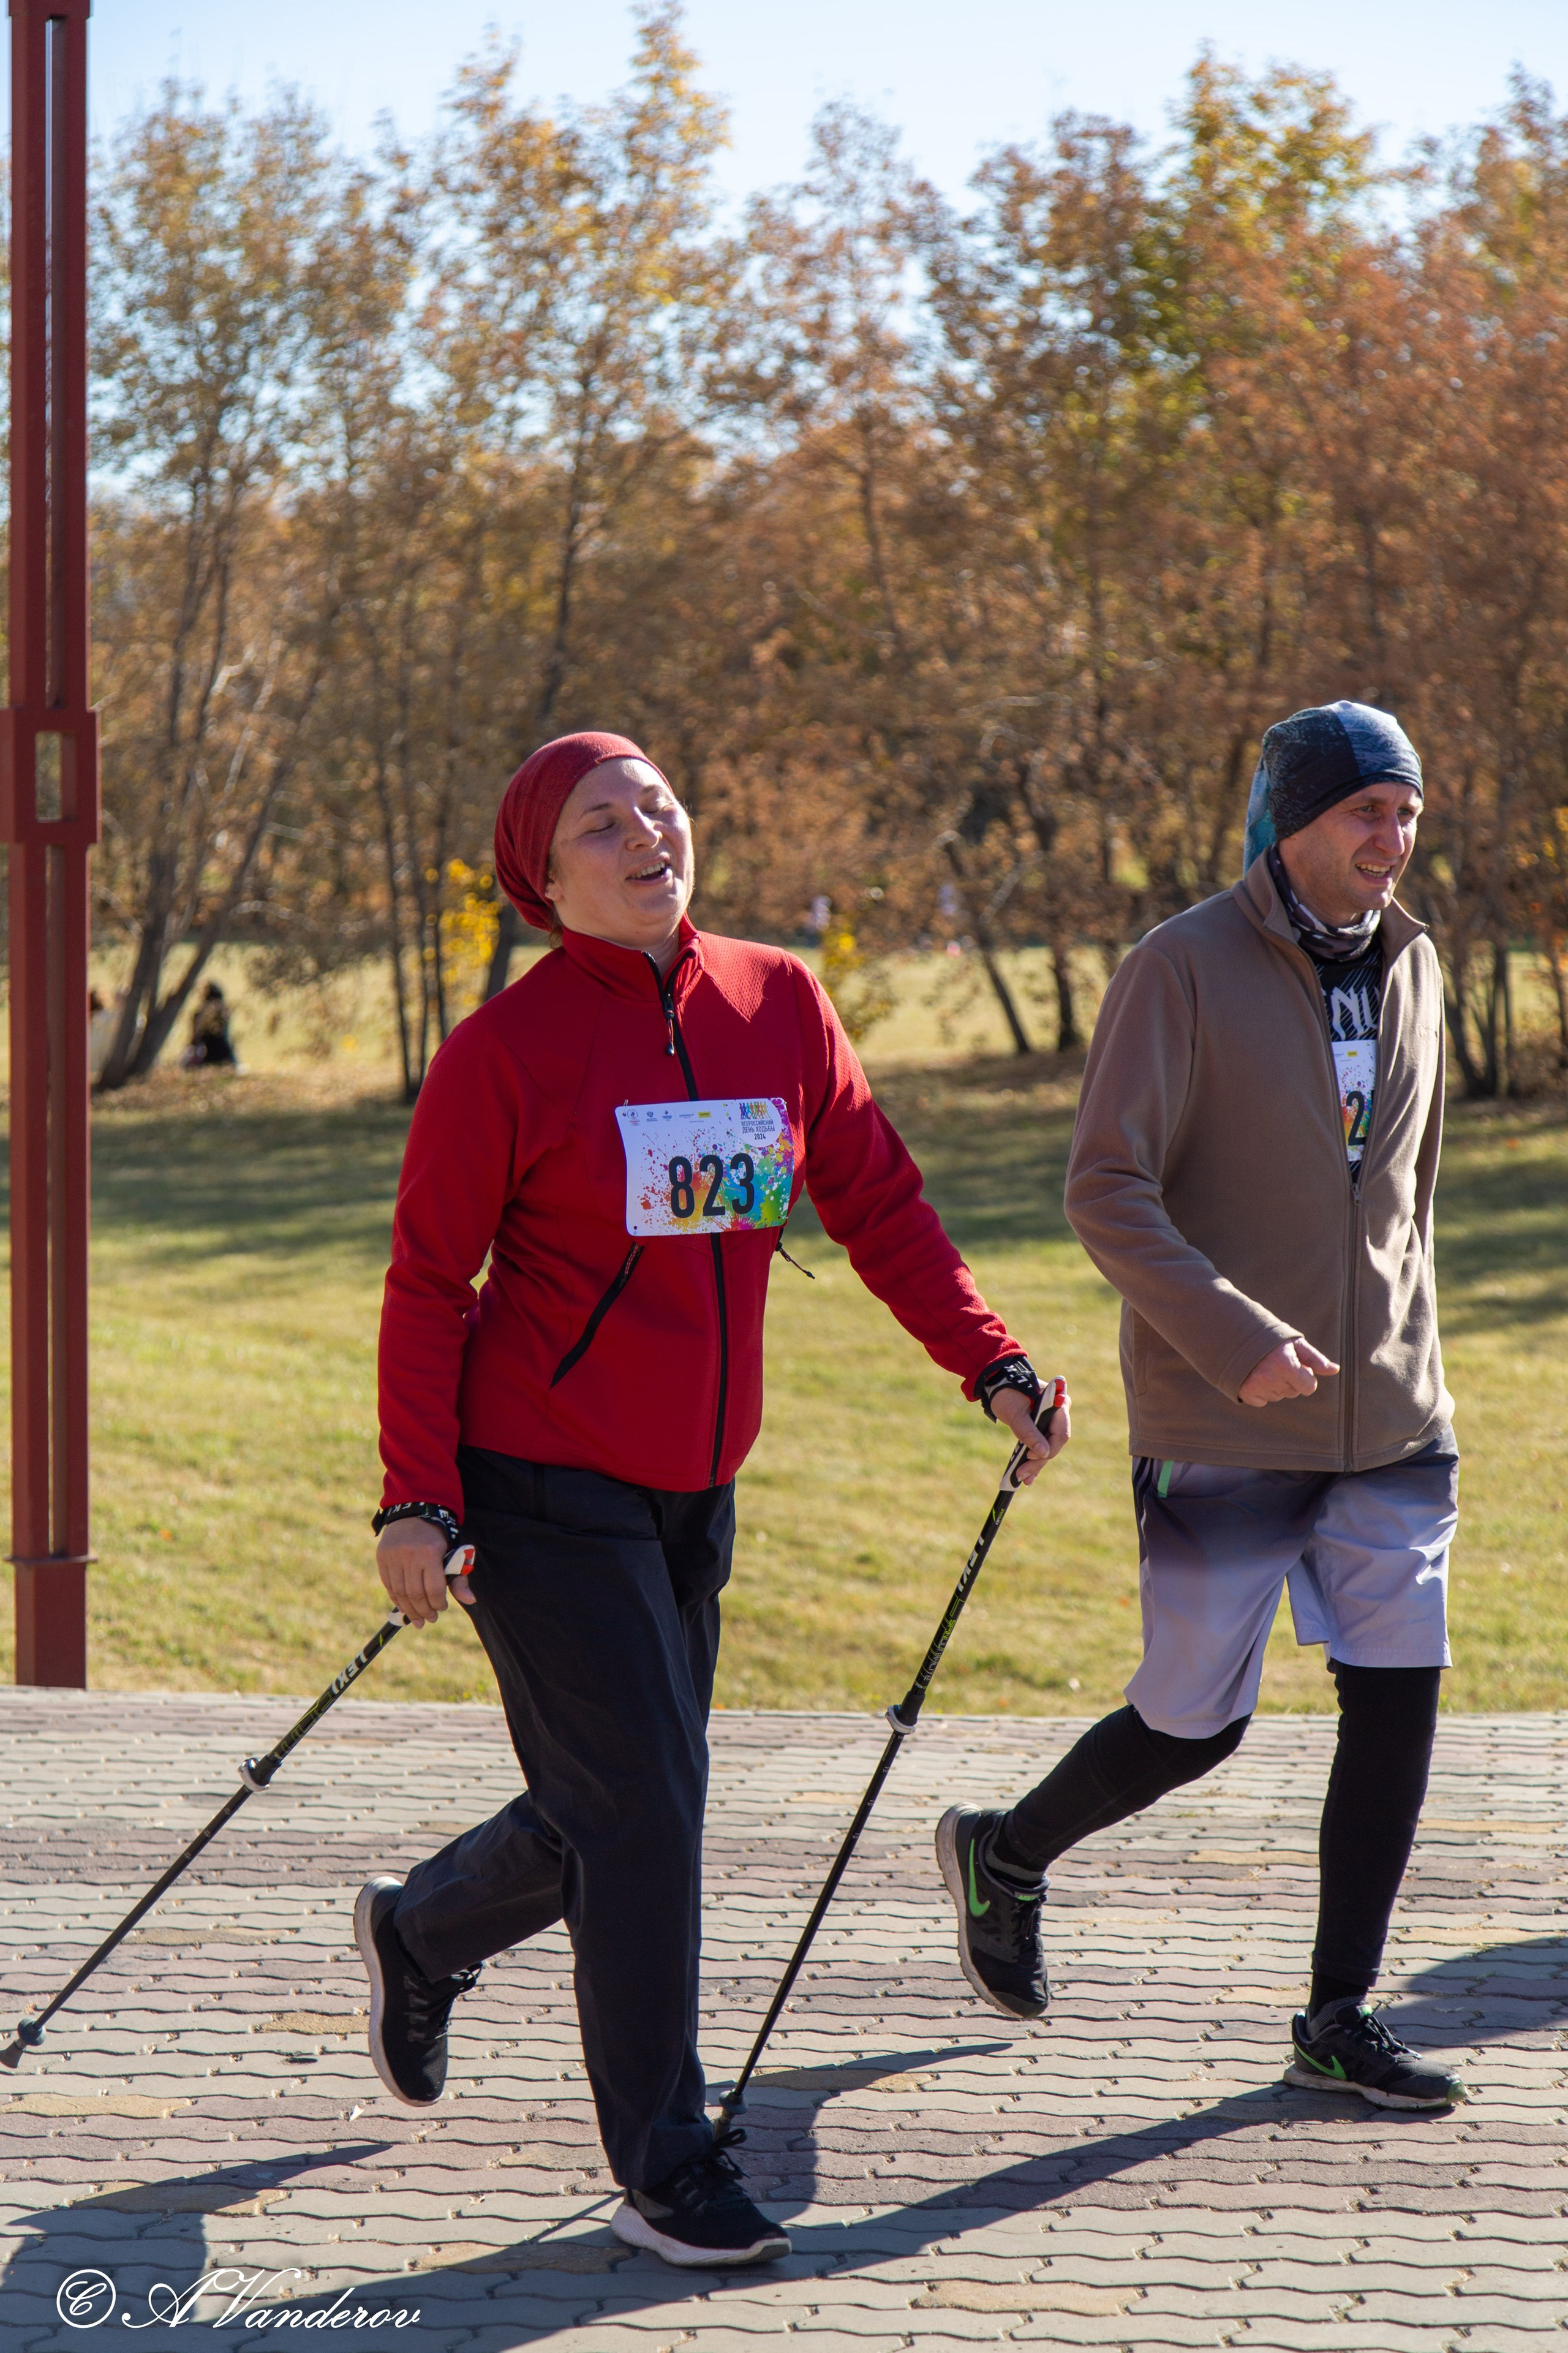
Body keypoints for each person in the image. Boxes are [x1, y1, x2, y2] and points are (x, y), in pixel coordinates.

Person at [358, 729, 1072, 2269]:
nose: (644, 836)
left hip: (695, 1484)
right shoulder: (507, 1050)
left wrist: (990, 1359)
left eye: (660, 808)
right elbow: (428, 1283)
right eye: (603, 826)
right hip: (535, 1483)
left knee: (616, 1798)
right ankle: (666, 2160)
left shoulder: (775, 1001)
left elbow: (873, 1194)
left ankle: (420, 1930)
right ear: (545, 882)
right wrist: (414, 1496)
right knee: (649, 1808)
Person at [937, 700, 1466, 2112]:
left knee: (1397, 1692)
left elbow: (1407, 1188)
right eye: (1365, 809)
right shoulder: (1176, 967)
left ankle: (1334, 2011)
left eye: (1405, 810)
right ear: (1289, 821)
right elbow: (1104, 1187)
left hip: (1392, 1421)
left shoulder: (1416, 963)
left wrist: (1408, 1349)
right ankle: (1005, 1850)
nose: (1391, 836)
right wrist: (1232, 1337)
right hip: (1223, 1419)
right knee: (1191, 1720)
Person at [181, 980, 236, 1068]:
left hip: (207, 1057)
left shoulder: (199, 1015)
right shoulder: (224, 1015)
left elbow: (195, 1041)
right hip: (226, 1056)